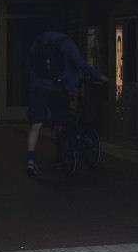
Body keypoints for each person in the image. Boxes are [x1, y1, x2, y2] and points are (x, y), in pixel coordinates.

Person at [25, 25, 106, 177]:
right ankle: (61, 157)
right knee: (60, 123)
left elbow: (28, 67)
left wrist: (34, 83)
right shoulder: (65, 42)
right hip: (58, 87)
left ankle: (30, 160)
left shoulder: (36, 43)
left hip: (37, 88)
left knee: (36, 124)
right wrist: (98, 76)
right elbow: (80, 63)